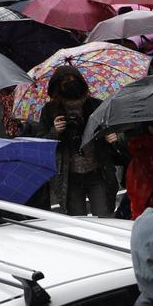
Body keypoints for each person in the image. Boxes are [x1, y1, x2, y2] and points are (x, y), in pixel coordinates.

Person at [37, 65, 113, 217]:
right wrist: (55, 132)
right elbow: (41, 142)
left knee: (104, 216)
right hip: (69, 176)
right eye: (65, 82)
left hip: (97, 171)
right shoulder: (50, 110)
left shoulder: (95, 105)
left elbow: (112, 129)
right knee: (78, 220)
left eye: (73, 80)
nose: (70, 84)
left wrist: (109, 135)